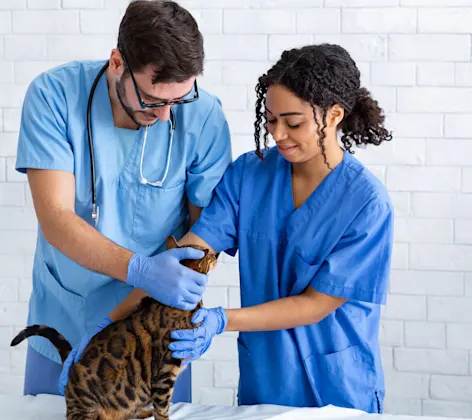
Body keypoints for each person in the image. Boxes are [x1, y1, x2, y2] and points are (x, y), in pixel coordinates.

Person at [15, 0, 231, 402]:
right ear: (117, 62)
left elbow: (207, 231)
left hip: (151, 339)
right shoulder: (53, 96)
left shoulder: (203, 117)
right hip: (66, 315)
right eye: (152, 99)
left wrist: (179, 299)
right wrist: (139, 269)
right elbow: (56, 216)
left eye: (178, 100)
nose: (167, 115)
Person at [167, 43, 394, 413]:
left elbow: (316, 305)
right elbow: (195, 252)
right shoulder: (248, 175)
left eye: (294, 122)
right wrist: (126, 309)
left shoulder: (367, 203)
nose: (278, 135)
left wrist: (221, 320)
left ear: (334, 115)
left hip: (336, 388)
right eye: (271, 120)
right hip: (266, 381)